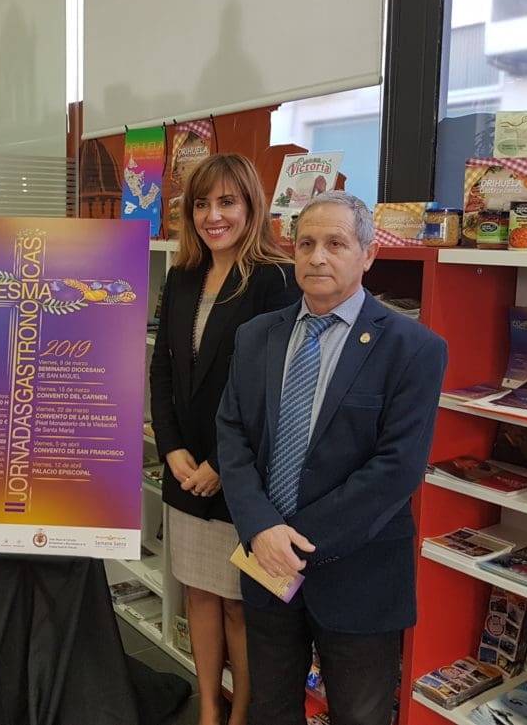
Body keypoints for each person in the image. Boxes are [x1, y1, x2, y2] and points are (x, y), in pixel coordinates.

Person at [217, 191, 447, 725]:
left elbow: (397, 469)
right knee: (270, 709)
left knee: (360, 715)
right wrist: (261, 529)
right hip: (266, 567)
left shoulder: (414, 348)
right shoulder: (256, 337)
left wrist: (289, 541)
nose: (317, 257)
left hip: (359, 576)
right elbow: (232, 435)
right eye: (306, 244)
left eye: (336, 244)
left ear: (368, 255)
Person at [150, 153, 300, 725]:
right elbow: (163, 369)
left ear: (251, 206)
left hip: (242, 475)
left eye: (227, 202)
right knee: (198, 593)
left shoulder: (276, 280)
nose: (213, 216)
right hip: (185, 468)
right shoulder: (184, 275)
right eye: (202, 204)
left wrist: (221, 463)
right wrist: (171, 448)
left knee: (240, 605)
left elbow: (276, 390)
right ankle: (210, 706)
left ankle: (242, 715)